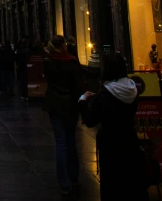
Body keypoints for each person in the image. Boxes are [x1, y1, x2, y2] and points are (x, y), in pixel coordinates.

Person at [79, 52, 148, 201]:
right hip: (130, 140)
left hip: (110, 143)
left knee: (112, 182)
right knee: (131, 180)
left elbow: (90, 121)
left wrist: (83, 101)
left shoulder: (105, 94)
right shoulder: (133, 89)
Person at [43, 35, 84, 198]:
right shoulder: (72, 61)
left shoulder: (48, 61)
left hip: (54, 104)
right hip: (71, 105)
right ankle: (74, 177)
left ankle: (64, 183)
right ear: (64, 46)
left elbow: (49, 80)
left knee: (60, 143)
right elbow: (79, 85)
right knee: (71, 140)